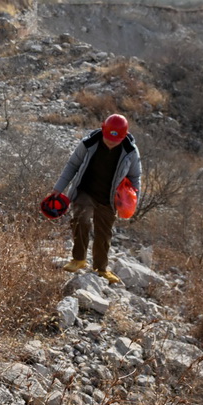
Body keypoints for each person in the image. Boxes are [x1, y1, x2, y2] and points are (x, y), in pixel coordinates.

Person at [48, 113, 142, 285]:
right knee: (80, 220)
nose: (111, 142)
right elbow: (72, 165)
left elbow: (135, 177)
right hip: (86, 191)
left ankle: (100, 268)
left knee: (104, 233)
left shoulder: (130, 152)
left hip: (109, 198)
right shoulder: (89, 143)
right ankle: (78, 259)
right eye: (108, 137)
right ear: (103, 129)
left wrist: (132, 202)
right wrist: (57, 189)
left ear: (123, 136)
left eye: (116, 139)